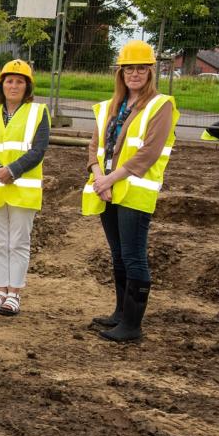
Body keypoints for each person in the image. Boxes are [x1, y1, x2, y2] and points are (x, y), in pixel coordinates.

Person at [83, 40, 178, 343]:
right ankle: (120, 313)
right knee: (118, 256)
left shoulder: (160, 105)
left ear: (151, 72)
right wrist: (99, 177)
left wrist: (110, 180)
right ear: (120, 73)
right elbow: (94, 147)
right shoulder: (110, 107)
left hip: (134, 191)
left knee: (134, 256)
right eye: (129, 69)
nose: (134, 74)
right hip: (107, 190)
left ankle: (132, 325)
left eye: (141, 68)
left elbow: (148, 152)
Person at [0, 60, 49, 316]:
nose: (13, 85)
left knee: (18, 242)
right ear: (1, 85)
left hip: (21, 188)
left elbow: (38, 150)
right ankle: (0, 290)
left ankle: (14, 293)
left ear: (27, 86)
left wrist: (13, 170)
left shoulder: (38, 112)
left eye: (19, 81)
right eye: (9, 81)